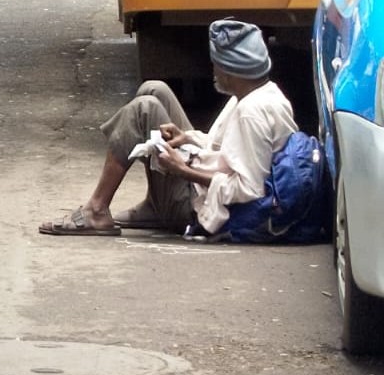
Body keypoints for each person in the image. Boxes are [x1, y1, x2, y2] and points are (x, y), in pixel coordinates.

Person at [40, 20, 298, 236]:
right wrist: (188, 138)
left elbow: (250, 190)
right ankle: (156, 203)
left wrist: (184, 171)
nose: (214, 72)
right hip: (204, 181)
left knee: (144, 109)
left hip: (203, 206)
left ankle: (96, 210)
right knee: (155, 90)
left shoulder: (250, 113)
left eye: (217, 65)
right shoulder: (258, 92)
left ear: (232, 71)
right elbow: (225, 152)